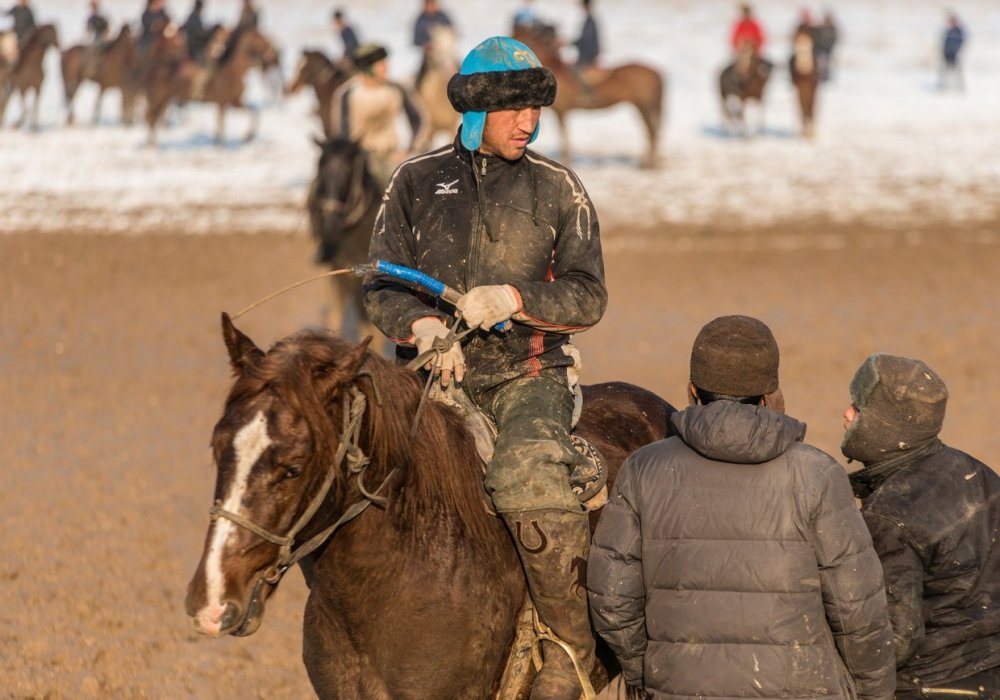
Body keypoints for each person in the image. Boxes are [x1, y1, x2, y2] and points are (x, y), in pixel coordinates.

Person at [363, 35, 605, 698]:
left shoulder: (560, 187)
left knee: (526, 472)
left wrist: (517, 298)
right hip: (431, 372)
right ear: (477, 110)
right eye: (514, 108)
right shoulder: (413, 181)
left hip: (530, 375)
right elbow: (380, 282)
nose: (529, 121)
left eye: (536, 108)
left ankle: (571, 648)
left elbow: (588, 293)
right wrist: (419, 325)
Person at [588, 315, 896, 699]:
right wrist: (872, 691)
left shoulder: (643, 469)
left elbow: (611, 598)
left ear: (691, 391)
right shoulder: (818, 474)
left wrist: (651, 669)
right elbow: (859, 610)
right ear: (769, 396)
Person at [842, 353, 1000, 696]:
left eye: (858, 407)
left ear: (884, 427)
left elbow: (897, 639)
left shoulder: (888, 514)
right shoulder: (981, 473)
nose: (846, 414)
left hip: (932, 684)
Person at [331, 43, 427, 187]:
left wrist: (409, 150)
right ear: (367, 68)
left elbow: (418, 119)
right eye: (381, 64)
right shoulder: (348, 94)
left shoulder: (397, 89)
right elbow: (343, 131)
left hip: (391, 155)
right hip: (360, 156)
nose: (386, 66)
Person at [412, 0, 453, 89]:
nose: (431, 7)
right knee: (421, 75)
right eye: (429, 5)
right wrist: (425, 45)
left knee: (459, 67)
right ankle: (417, 89)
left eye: (433, 4)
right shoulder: (420, 20)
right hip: (429, 55)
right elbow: (415, 39)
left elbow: (452, 32)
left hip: (446, 53)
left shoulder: (443, 17)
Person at [939, 11, 966, 91]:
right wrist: (944, 51)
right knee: (945, 70)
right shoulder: (949, 31)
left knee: (957, 70)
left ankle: (960, 86)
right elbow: (945, 42)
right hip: (947, 54)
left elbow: (960, 42)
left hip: (954, 54)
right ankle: (945, 86)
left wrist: (956, 50)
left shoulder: (958, 31)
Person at [573, 0, 599, 75]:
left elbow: (585, 40)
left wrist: (570, 43)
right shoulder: (590, 20)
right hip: (588, 55)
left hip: (587, 57)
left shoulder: (590, 21)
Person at [813, 9, 838, 81]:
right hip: (818, 50)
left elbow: (833, 39)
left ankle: (825, 78)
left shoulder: (832, 29)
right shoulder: (820, 28)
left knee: (825, 63)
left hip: (827, 51)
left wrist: (827, 47)